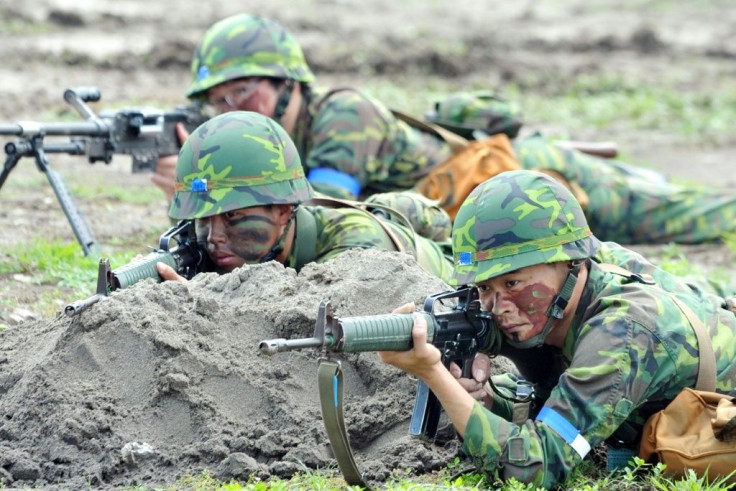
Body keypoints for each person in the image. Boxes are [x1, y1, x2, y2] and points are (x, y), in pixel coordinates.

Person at [153, 12, 736, 245]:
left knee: (685, 216)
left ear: (290, 84)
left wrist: (214, 185)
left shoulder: (341, 115)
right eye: (219, 100)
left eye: (244, 91)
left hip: (526, 176)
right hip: (485, 206)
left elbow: (323, 210)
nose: (232, 107)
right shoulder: (281, 138)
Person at [378, 170, 736, 488]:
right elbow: (550, 390)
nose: (499, 308)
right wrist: (488, 400)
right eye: (485, 288)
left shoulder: (621, 331)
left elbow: (533, 468)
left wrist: (432, 372)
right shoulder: (584, 276)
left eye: (514, 284)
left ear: (570, 264)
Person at [155, 110, 455, 285]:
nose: (213, 237)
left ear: (284, 210)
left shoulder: (358, 248)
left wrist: (200, 304)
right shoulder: (230, 247)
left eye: (233, 215)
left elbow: (310, 328)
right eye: (203, 218)